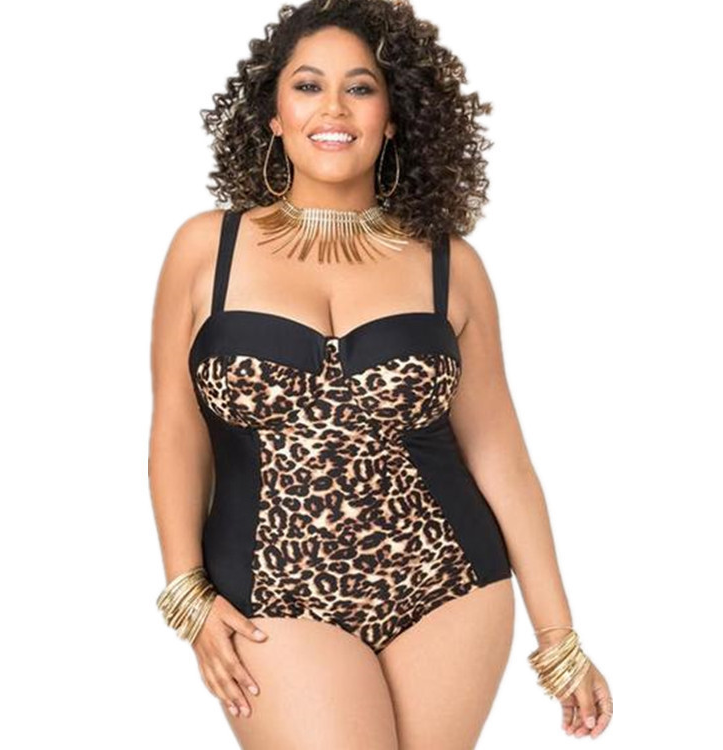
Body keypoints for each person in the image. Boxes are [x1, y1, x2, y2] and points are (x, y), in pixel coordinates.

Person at [148, 1, 613, 747]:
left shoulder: (449, 264)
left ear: (393, 118)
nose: (333, 108)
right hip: (271, 593)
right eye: (308, 86)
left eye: (360, 88)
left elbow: (500, 457)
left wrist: (558, 637)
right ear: (273, 114)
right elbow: (176, 429)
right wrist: (186, 590)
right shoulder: (208, 250)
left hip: (450, 585)